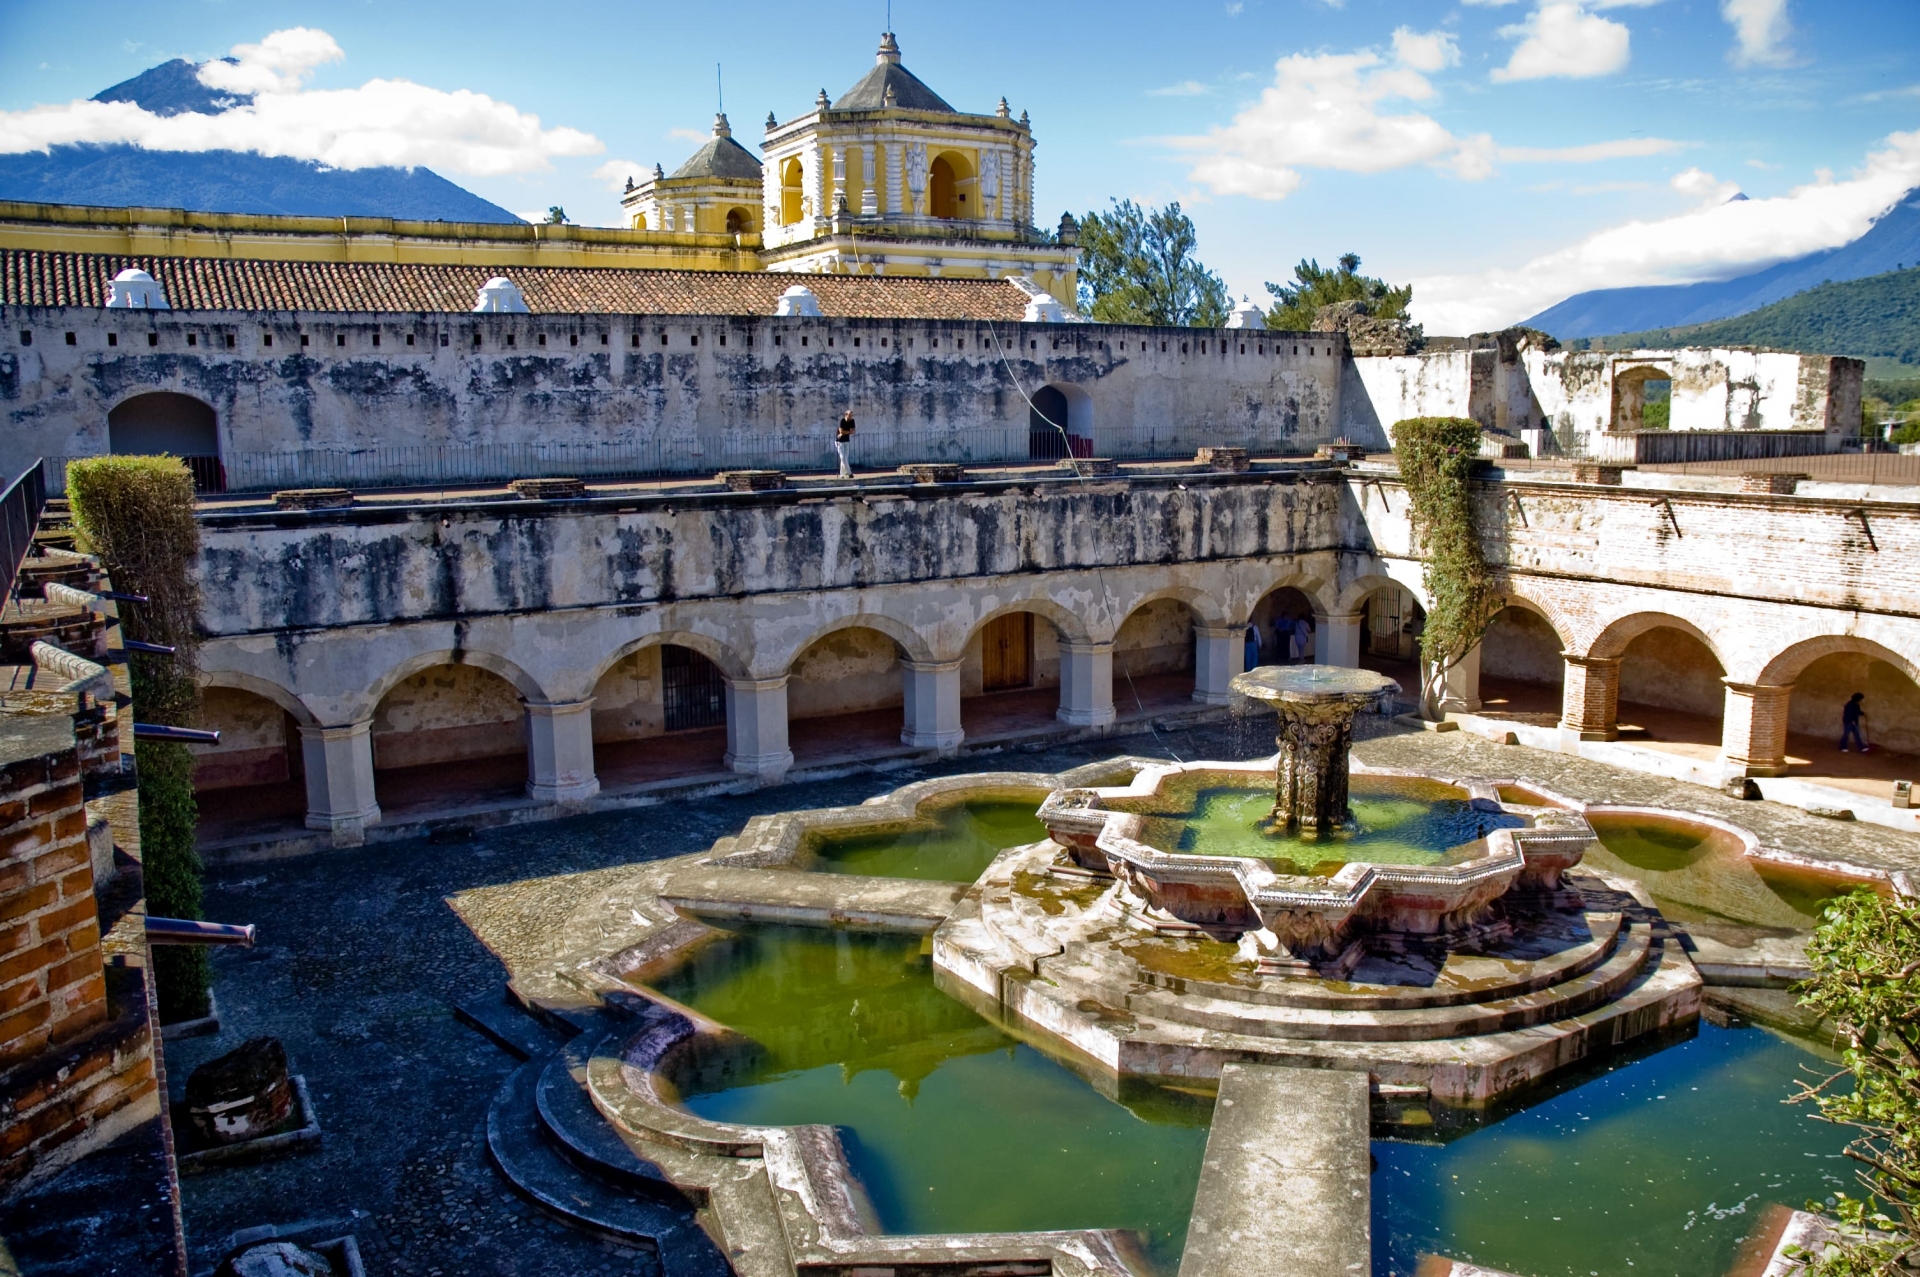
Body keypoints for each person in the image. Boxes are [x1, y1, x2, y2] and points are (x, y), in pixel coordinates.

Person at [834, 409, 856, 479]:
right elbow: (841, 431)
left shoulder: (852, 421)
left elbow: (853, 431)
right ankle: (849, 473)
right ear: (846, 415)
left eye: (851, 415)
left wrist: (845, 432)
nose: (851, 417)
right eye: (849, 415)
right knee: (843, 457)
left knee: (845, 458)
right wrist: (847, 432)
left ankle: (841, 474)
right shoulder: (842, 421)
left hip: (847, 441)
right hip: (839, 441)